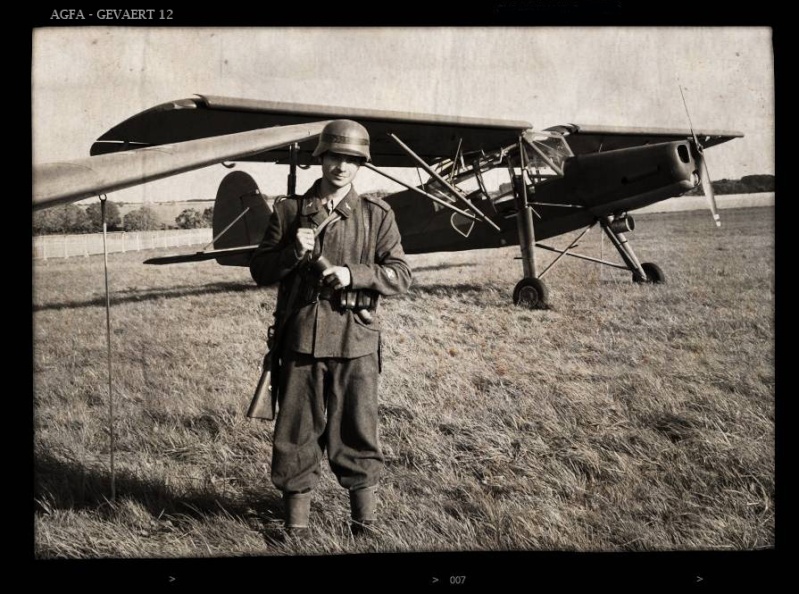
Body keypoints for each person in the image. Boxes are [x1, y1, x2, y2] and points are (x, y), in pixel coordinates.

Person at [249, 119, 412, 535]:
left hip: (356, 339)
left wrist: (353, 274)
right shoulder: (288, 212)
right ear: (320, 158)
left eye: (353, 159)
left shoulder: (377, 215)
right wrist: (290, 251)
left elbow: (400, 274)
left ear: (362, 165)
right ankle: (296, 528)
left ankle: (365, 524)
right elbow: (260, 270)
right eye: (336, 156)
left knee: (357, 431)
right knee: (296, 433)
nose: (343, 166)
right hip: (301, 340)